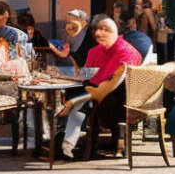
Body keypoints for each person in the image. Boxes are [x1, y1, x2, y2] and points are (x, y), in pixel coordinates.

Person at [59, 16, 141, 159]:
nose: (101, 34)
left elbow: (110, 82)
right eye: (99, 30)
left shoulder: (125, 52)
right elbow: (86, 74)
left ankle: (74, 144)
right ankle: (70, 141)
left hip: (118, 101)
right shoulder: (95, 51)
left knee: (78, 101)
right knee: (74, 94)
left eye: (106, 30)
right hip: (101, 93)